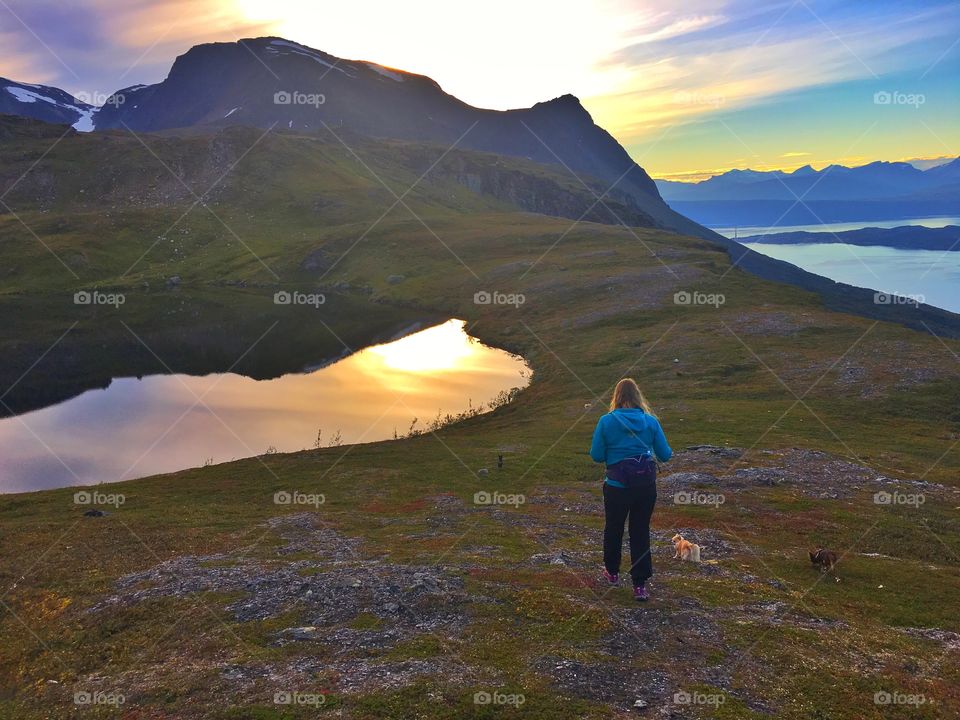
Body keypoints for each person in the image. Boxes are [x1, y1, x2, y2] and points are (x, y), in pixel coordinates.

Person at [589, 378, 672, 601]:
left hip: (617, 486)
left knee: (613, 528)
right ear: (638, 397)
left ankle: (612, 573)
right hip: (645, 487)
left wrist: (616, 455)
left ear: (617, 397)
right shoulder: (651, 422)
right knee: (640, 531)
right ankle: (639, 585)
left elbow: (596, 455)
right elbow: (665, 455)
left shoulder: (606, 421)